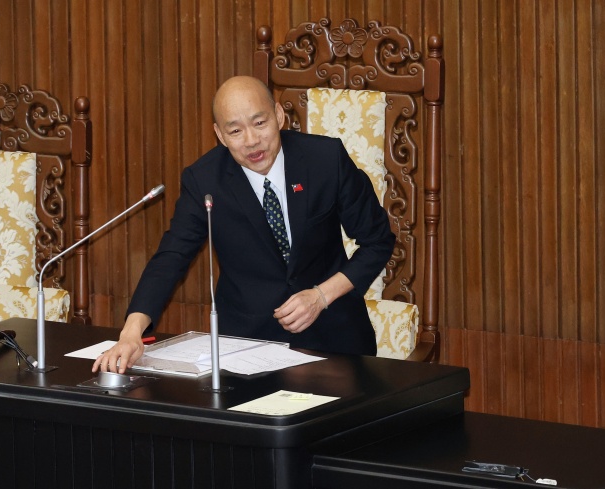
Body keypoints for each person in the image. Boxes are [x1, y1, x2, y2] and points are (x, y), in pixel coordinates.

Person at [94, 76, 395, 374]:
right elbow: (172, 256)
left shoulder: (324, 159)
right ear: (220, 136)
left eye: (260, 123)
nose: (251, 141)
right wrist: (131, 332)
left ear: (278, 116)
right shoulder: (205, 181)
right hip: (247, 349)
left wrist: (321, 296)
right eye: (235, 131)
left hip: (336, 344)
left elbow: (378, 241)